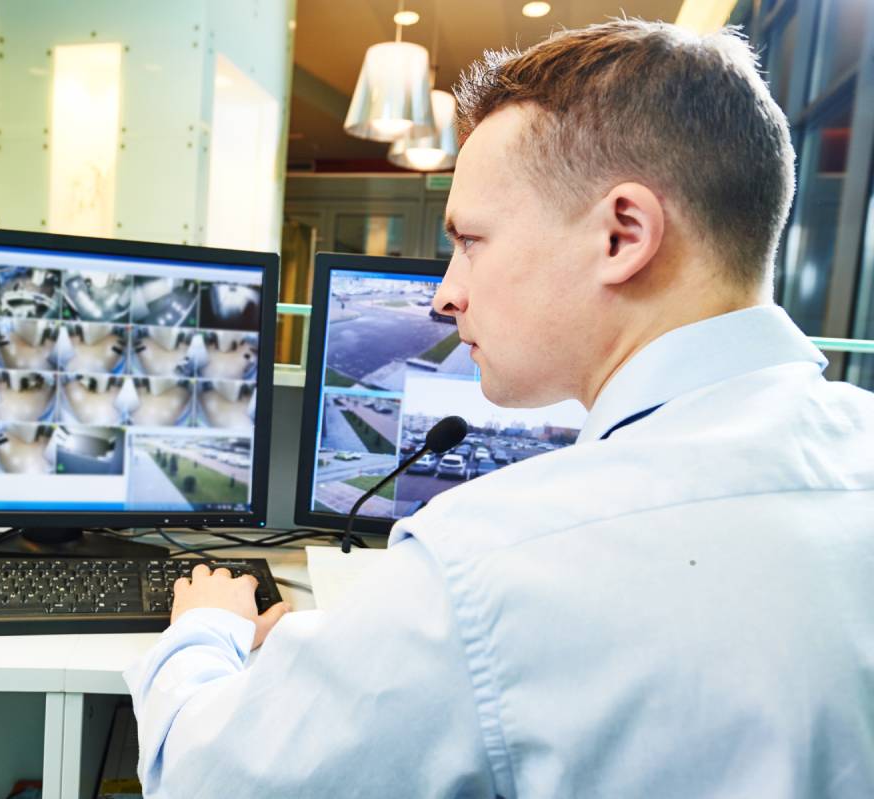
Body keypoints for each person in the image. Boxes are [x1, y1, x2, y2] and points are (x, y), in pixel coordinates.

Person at [124, 19, 874, 798]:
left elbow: (200, 776)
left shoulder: (494, 562)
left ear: (622, 235)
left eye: (471, 240)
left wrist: (206, 629)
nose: (446, 293)